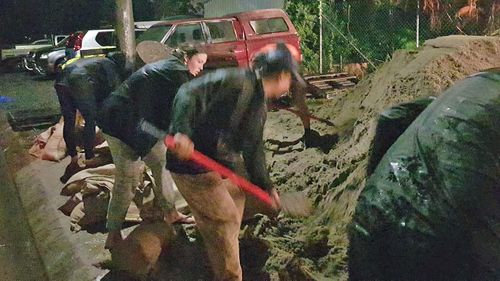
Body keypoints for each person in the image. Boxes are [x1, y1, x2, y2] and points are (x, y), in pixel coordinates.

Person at [166, 43, 301, 280]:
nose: (290, 86)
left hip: (216, 161)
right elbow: (187, 92)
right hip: (193, 165)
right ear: (282, 75)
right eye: (291, 79)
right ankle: (229, 275)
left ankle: (222, 249)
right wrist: (181, 131)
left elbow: (253, 148)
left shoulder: (257, 100)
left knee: (237, 198)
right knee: (225, 220)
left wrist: (266, 187)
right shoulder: (238, 81)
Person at [98, 45, 207, 250]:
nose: (201, 67)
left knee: (161, 164)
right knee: (128, 179)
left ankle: (171, 213)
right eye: (199, 61)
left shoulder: (171, 69)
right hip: (120, 124)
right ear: (186, 58)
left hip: (141, 123)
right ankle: (113, 233)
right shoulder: (177, 73)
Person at [54, 52, 127, 183]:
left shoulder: (99, 60)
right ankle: (89, 157)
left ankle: (74, 158)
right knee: (90, 119)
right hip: (79, 80)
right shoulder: (111, 66)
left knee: (69, 120)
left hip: (61, 81)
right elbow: (115, 92)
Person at [254, 43, 321, 147]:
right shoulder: (262, 64)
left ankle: (307, 133)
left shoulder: (290, 66)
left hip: (287, 71)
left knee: (299, 99)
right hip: (272, 69)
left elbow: (299, 86)